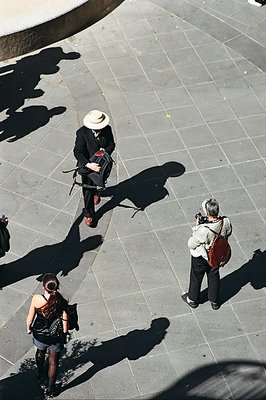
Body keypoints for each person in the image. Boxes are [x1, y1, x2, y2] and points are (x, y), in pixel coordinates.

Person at [182, 199, 232, 310]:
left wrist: (197, 227)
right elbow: (228, 232)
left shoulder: (204, 229)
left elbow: (191, 244)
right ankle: (214, 301)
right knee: (214, 275)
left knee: (196, 277)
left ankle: (193, 299)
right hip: (217, 256)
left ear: (207, 213)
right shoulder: (226, 221)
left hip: (202, 257)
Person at [26, 273, 69, 398]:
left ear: (44, 287)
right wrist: (65, 332)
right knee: (53, 362)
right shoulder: (61, 301)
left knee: (40, 352)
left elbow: (30, 318)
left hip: (39, 334)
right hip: (55, 337)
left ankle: (40, 373)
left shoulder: (36, 299)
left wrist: (29, 329)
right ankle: (51, 389)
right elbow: (65, 320)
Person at [73, 110, 115, 226]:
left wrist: (104, 153)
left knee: (100, 181)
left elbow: (111, 145)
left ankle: (97, 192)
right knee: (87, 190)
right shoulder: (82, 133)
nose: (98, 129)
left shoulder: (107, 129)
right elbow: (78, 152)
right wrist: (89, 164)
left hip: (102, 164)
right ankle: (89, 213)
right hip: (87, 166)